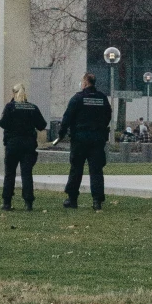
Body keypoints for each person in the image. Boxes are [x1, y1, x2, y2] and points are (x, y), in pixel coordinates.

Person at [54, 70, 112, 210]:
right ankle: (97, 200)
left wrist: (61, 134)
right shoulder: (102, 98)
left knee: (76, 169)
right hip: (97, 139)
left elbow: (67, 117)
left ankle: (72, 199)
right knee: (96, 170)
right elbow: (108, 115)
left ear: (85, 82)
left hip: (80, 138)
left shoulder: (77, 98)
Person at [0, 84, 45, 210]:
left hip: (12, 144)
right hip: (28, 145)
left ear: (13, 93)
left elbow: (2, 123)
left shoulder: (10, 107)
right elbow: (42, 125)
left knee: (9, 173)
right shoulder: (32, 107)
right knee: (27, 174)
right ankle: (28, 203)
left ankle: (7, 202)